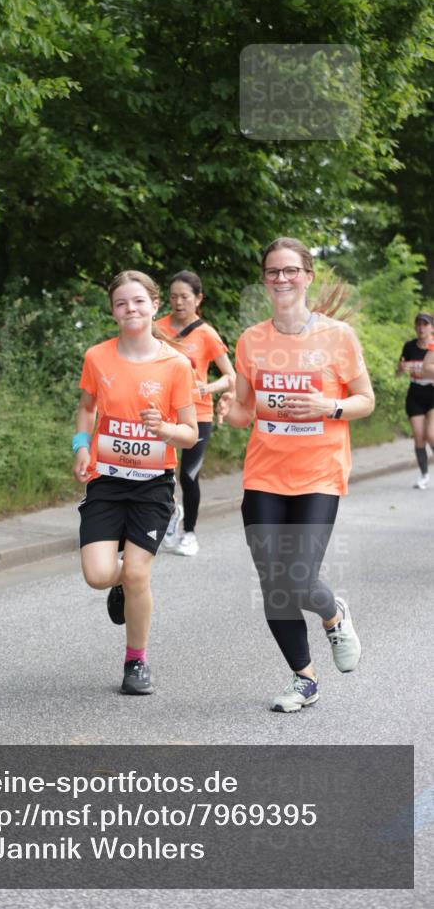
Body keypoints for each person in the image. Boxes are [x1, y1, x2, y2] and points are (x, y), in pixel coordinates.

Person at [217, 237, 375, 713]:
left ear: (307, 275)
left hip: (319, 473)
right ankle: (303, 678)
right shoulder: (251, 340)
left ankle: (333, 611)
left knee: (299, 579)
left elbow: (366, 400)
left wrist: (330, 405)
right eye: (272, 272)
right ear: (265, 280)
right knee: (274, 583)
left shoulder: (338, 336)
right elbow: (247, 411)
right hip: (264, 474)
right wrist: (229, 409)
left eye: (290, 270)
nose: (281, 279)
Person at [73, 270, 198, 695]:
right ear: (113, 311)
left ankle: (136, 662)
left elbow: (190, 433)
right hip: (106, 481)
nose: (131, 309)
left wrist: (164, 430)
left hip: (152, 485)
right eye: (122, 303)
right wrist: (80, 447)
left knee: (138, 574)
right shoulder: (97, 357)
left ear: (154, 306)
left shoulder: (175, 364)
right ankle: (121, 584)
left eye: (139, 301)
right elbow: (86, 410)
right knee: (97, 574)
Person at [156, 271, 235, 555]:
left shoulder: (206, 333)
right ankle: (168, 516)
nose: (178, 302)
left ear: (198, 299)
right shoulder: (157, 328)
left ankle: (189, 533)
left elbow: (230, 376)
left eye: (185, 297)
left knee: (189, 476)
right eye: (173, 297)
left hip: (198, 414)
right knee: (157, 473)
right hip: (163, 412)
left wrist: (207, 388)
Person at [396, 312, 434, 490]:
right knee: (419, 437)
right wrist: (401, 368)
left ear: (432, 328)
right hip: (415, 394)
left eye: (425, 324)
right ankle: (424, 475)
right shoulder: (409, 346)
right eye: (418, 324)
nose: (421, 328)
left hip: (432, 393)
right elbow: (399, 371)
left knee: (431, 435)